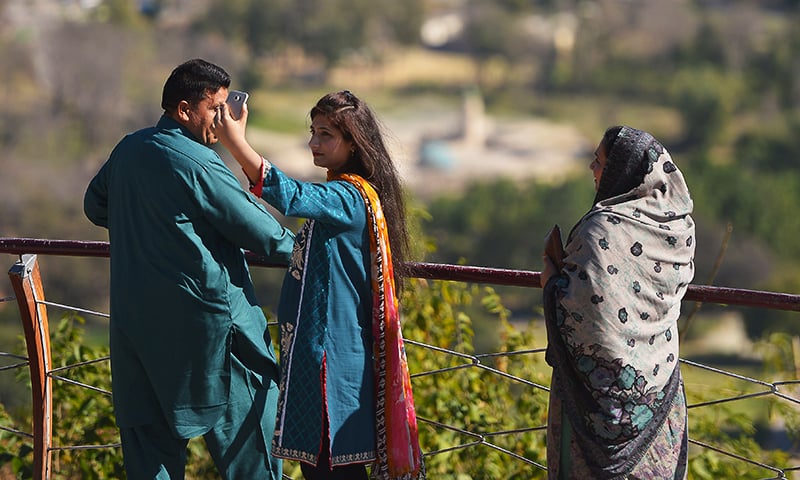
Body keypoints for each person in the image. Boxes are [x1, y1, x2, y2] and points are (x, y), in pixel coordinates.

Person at [83, 58, 295, 480]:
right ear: (184, 110)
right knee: (252, 450)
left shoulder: (130, 148)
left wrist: (155, 223)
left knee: (150, 460)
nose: (226, 118)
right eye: (216, 108)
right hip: (212, 334)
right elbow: (267, 236)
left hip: (138, 332)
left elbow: (95, 205)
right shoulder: (199, 161)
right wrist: (316, 254)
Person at [214, 90, 426, 480]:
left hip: (330, 363)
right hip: (324, 355)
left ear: (353, 142)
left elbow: (290, 195)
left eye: (326, 134)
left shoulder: (347, 196)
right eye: (313, 132)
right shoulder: (350, 195)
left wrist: (234, 141)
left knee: (329, 469)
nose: (314, 143)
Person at [540, 126, 695, 479]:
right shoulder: (679, 229)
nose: (592, 170)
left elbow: (579, 308)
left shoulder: (602, 228)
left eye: (600, 162)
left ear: (621, 171)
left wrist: (550, 281)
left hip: (591, 402)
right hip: (659, 393)